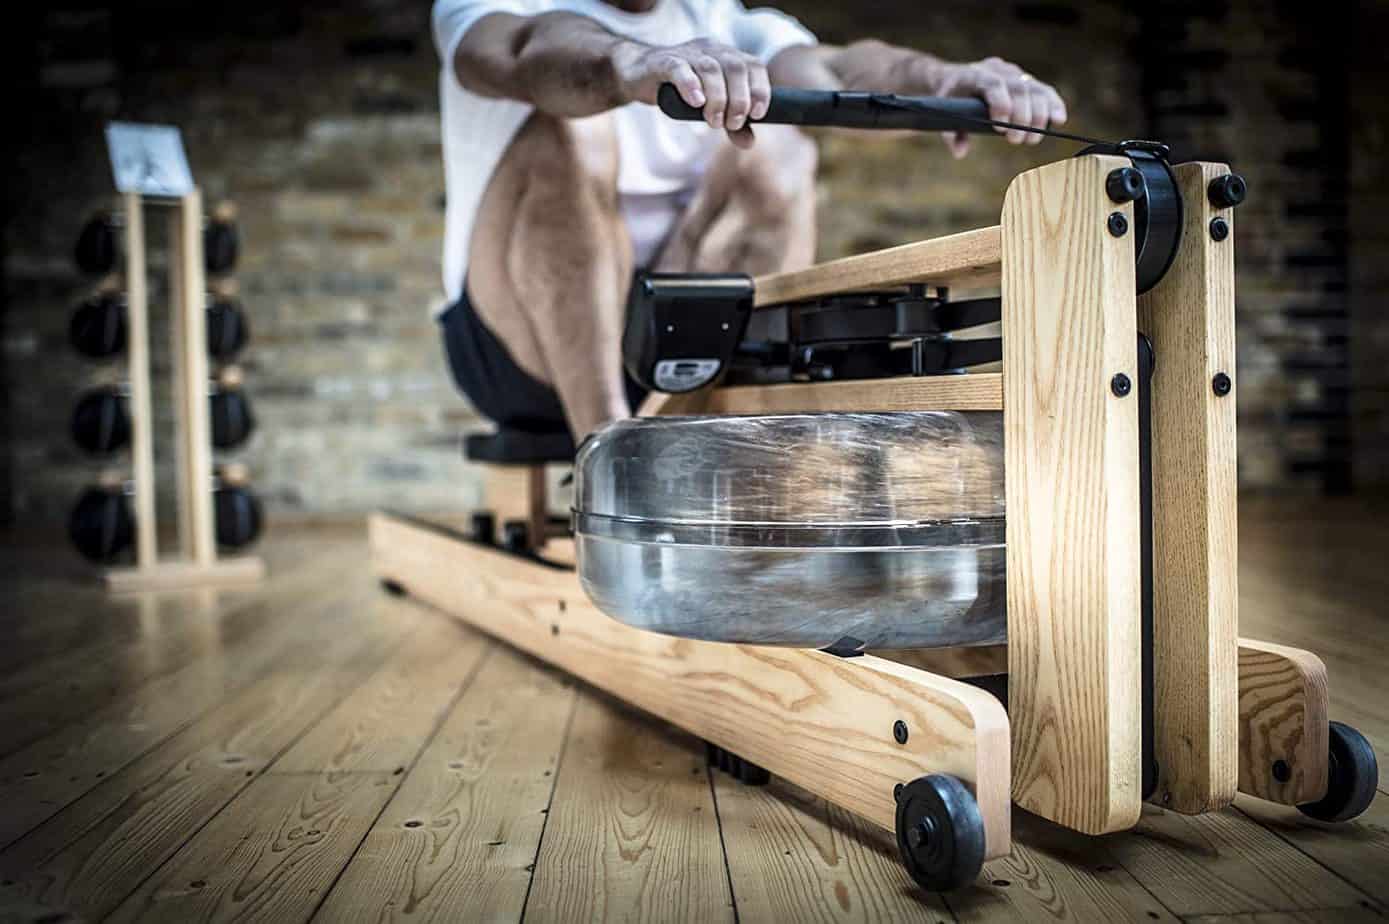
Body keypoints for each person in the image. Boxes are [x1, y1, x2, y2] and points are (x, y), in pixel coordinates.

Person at [433, 0, 1069, 440]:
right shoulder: (491, 8)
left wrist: (944, 79)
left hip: (665, 334)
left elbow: (840, 69)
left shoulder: (724, 20)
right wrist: (631, 65)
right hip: (516, 346)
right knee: (572, 132)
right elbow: (520, 50)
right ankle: (611, 461)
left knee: (781, 148)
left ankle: (739, 436)